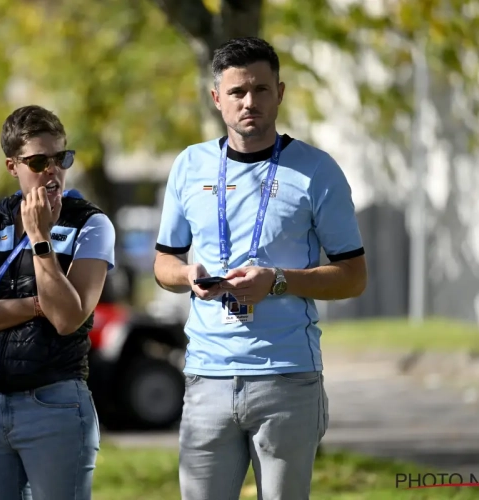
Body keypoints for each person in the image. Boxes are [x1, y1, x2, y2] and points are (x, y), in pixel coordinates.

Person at [153, 37, 367, 500]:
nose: (250, 102)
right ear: (216, 98)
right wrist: (187, 276)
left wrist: (280, 282)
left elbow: (354, 275)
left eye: (261, 89)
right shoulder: (189, 166)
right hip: (206, 378)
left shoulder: (317, 171)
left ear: (280, 92)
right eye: (237, 92)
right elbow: (164, 263)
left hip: (287, 379)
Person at [0, 105, 115, 500]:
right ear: (12, 166)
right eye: (39, 161)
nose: (53, 170)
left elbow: (67, 319)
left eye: (62, 158)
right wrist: (34, 305)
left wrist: (41, 240)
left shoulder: (91, 224)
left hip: (54, 403)